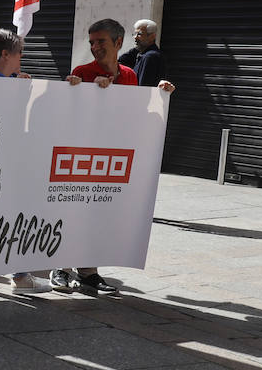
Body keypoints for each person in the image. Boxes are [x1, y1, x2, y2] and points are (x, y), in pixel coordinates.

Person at [55, 18, 175, 296]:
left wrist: (159, 94)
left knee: (98, 212)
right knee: (72, 210)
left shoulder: (130, 75)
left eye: (101, 42)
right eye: (92, 42)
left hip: (111, 156)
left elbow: (134, 113)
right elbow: (71, 111)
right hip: (82, 153)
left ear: (118, 43)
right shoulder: (82, 71)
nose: (95, 47)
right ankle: (59, 267)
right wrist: (80, 88)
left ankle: (88, 272)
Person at [0, 28, 53, 295]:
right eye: (19, 53)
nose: (22, 58)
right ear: (5, 54)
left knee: (14, 215)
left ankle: (20, 273)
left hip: (10, 162)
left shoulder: (13, 81)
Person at [119, 19, 166, 87]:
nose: (135, 37)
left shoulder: (150, 57)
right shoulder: (141, 53)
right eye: (135, 34)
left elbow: (144, 86)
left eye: (139, 34)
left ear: (152, 36)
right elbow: (121, 62)